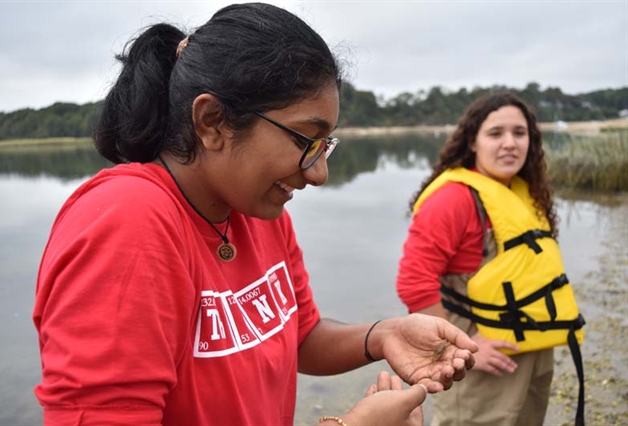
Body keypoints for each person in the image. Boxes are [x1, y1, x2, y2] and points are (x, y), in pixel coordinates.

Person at [32, 3, 479, 426]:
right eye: (305, 140)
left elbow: (299, 337)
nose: (320, 173)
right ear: (212, 122)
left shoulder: (258, 211)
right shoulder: (127, 221)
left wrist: (384, 335)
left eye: (325, 145)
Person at [396, 92, 585, 426]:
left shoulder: (524, 191)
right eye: (496, 133)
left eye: (519, 133)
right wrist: (456, 349)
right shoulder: (453, 199)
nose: (510, 143)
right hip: (479, 353)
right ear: (472, 141)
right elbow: (414, 281)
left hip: (534, 348)